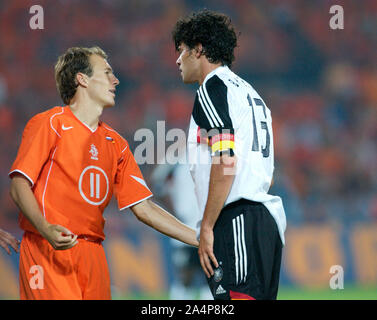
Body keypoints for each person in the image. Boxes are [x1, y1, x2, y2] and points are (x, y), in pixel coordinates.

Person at [8, 46, 198, 300]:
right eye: (107, 72)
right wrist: (44, 228)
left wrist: (200, 239)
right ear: (82, 79)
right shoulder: (50, 123)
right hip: (47, 249)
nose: (115, 80)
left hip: (94, 253)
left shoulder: (115, 143)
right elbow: (19, 185)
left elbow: (144, 208)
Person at [172, 10, 286, 300]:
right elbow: (265, 172)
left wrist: (207, 226)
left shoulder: (211, 88)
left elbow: (225, 158)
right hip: (264, 222)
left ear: (198, 50)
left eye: (182, 50)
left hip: (236, 219)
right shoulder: (250, 93)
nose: (178, 60)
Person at [151, 145, 212, 300]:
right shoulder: (176, 157)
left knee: (210, 275)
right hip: (183, 226)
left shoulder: (211, 154)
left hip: (208, 226)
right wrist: (173, 211)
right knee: (185, 276)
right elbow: (156, 183)